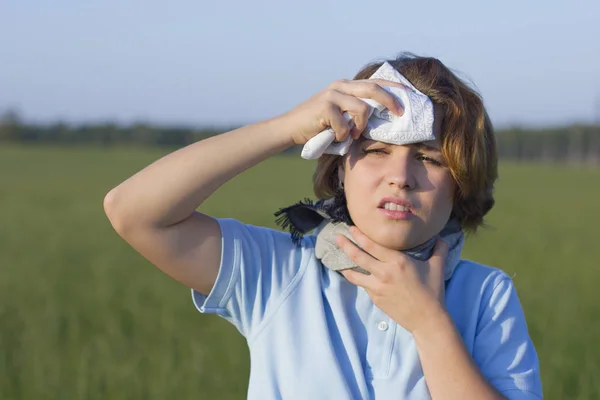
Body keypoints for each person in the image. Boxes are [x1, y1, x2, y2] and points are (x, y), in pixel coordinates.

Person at [103, 53, 543, 399]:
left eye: (428, 158)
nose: (401, 176)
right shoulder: (281, 273)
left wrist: (429, 323)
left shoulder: (487, 295)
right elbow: (133, 213)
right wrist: (285, 128)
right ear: (339, 171)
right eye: (375, 151)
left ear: (462, 186)